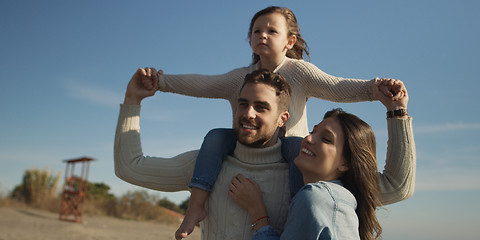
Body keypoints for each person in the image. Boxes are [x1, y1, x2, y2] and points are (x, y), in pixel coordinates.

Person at [139, 6, 407, 238]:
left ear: (290, 41)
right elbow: (202, 84)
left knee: (292, 145)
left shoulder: (300, 72)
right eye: (256, 31)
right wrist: (162, 82)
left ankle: (294, 208)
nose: (262, 35)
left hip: (291, 150)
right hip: (250, 141)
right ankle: (196, 204)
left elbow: (337, 87)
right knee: (216, 137)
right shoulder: (241, 77)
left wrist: (375, 89)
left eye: (271, 31)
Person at [116, 69, 295, 240]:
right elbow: (130, 167)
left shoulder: (299, 176)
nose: (248, 114)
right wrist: (132, 99)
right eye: (243, 104)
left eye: (261, 107)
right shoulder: (204, 165)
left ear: (282, 119)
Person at [228, 82, 413, 240]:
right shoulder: (339, 196)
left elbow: (398, 185)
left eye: (326, 139)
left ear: (345, 163)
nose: (308, 139)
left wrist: (257, 212)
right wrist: (396, 110)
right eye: (312, 132)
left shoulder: (316, 197)